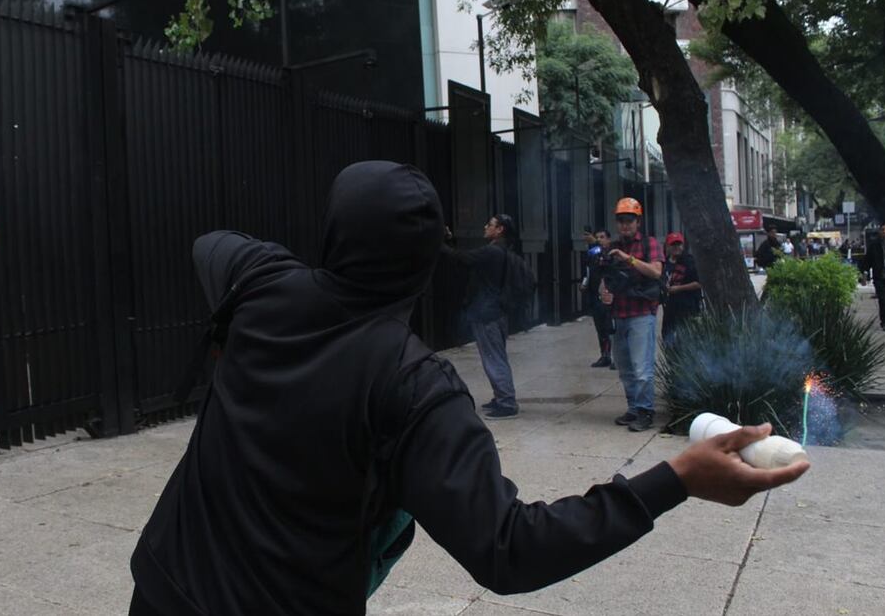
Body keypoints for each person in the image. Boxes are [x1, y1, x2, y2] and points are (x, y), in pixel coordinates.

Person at [128, 161, 809, 615]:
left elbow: (211, 242)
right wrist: (675, 481)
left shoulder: (261, 284)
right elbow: (509, 548)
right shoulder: (413, 386)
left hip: (164, 587)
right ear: (425, 267)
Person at [442, 214, 520, 419]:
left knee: (494, 359)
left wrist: (438, 243)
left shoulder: (492, 251)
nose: (485, 226)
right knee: (495, 356)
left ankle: (507, 402)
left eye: (490, 224)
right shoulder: (501, 251)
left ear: (500, 229)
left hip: (488, 314)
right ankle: (501, 396)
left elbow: (461, 259)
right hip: (496, 312)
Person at [598, 198, 663, 432]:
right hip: (619, 313)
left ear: (638, 221)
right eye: (621, 221)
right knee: (625, 368)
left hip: (642, 313)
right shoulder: (611, 247)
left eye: (629, 221)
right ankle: (634, 408)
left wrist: (630, 259)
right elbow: (606, 280)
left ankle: (646, 411)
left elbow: (656, 272)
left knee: (642, 367)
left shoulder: (649, 243)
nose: (625, 225)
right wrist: (604, 294)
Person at [581, 229, 615, 368]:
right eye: (597, 237)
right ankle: (605, 355)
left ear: (609, 239)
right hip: (595, 294)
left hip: (609, 295)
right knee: (600, 327)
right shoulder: (593, 254)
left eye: (602, 237)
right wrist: (584, 284)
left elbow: (610, 266)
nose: (599, 240)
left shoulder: (612, 254)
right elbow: (588, 270)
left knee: (611, 327)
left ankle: (616, 357)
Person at [662, 233, 702, 344]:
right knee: (668, 340)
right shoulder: (663, 263)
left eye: (679, 244)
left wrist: (679, 288)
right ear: (667, 246)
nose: (676, 248)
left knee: (687, 341)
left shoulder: (690, 261)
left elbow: (699, 283)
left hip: (688, 308)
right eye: (673, 245)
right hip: (669, 309)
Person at [867, 224, 885, 331]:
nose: (884, 231)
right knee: (883, 300)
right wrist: (865, 275)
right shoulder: (874, 246)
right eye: (882, 229)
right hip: (880, 277)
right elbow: (867, 260)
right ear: (880, 232)